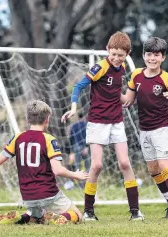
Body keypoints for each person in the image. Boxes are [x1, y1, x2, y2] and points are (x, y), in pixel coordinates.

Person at [61, 32, 144, 221]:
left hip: (116, 122)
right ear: (108, 50)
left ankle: (135, 211)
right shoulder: (100, 67)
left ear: (127, 55)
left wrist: (132, 98)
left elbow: (116, 94)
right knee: (96, 165)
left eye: (120, 55)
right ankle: (89, 211)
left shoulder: (122, 68)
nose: (116, 58)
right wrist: (74, 107)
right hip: (97, 122)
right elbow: (78, 86)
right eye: (113, 53)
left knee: (124, 163)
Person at [0, 100, 88, 225]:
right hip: (48, 194)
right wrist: (76, 175)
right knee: (78, 215)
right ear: (47, 119)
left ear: (28, 120)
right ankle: (61, 218)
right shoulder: (49, 139)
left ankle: (21, 217)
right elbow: (58, 170)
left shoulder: (18, 137)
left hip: (28, 196)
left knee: (36, 219)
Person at [122, 37, 168, 219]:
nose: (152, 58)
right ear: (143, 56)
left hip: (162, 128)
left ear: (163, 58)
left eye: (156, 55)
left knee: (165, 166)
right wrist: (109, 92)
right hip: (144, 129)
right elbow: (128, 100)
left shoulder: (167, 78)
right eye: (149, 54)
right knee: (153, 170)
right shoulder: (136, 75)